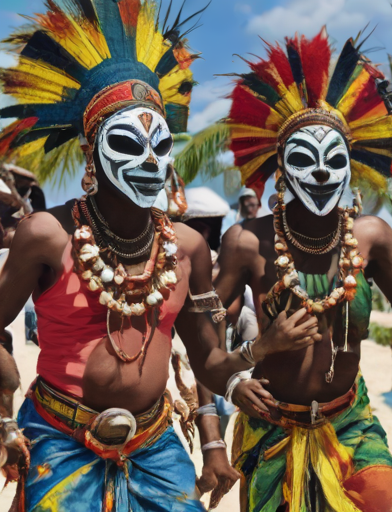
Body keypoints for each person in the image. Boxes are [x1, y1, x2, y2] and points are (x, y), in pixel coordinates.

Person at [0, 2, 319, 510]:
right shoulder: (47, 235)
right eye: (128, 142)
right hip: (59, 442)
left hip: (155, 444)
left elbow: (209, 361)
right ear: (91, 153)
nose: (149, 160)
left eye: (160, 143)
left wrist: (249, 370)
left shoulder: (188, 247)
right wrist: (4, 415)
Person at [211, 29, 392, 512]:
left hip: (351, 424)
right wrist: (242, 370)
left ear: (351, 167)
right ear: (281, 170)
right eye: (305, 160)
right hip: (273, 429)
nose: (323, 173)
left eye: (335, 159)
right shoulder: (247, 241)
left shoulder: (371, 236)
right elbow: (201, 339)